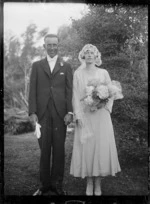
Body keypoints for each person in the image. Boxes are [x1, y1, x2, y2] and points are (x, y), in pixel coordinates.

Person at [70, 44, 122, 196]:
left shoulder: (103, 72)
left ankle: (98, 183)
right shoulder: (78, 74)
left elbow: (112, 92)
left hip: (101, 116)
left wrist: (105, 107)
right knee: (87, 147)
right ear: (83, 56)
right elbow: (75, 95)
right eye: (86, 53)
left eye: (92, 53)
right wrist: (78, 115)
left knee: (100, 147)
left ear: (97, 56)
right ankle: (89, 182)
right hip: (85, 115)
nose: (89, 55)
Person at [28, 34, 73, 195]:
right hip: (42, 114)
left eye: (55, 44)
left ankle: (57, 185)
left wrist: (70, 112)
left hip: (61, 114)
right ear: (44, 46)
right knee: (44, 150)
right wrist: (32, 112)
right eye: (49, 45)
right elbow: (31, 89)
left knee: (59, 150)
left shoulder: (66, 66)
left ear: (58, 45)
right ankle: (44, 185)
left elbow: (69, 91)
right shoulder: (37, 65)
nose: (52, 47)